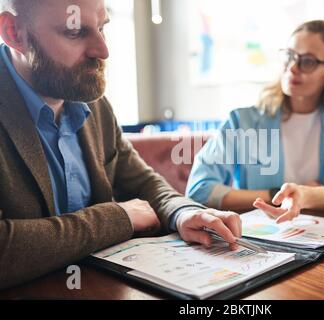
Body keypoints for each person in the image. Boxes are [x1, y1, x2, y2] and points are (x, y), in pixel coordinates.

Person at [0, 0, 241, 290]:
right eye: (74, 33)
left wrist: (183, 212)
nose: (103, 50)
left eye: (102, 28)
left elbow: (142, 182)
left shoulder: (94, 104)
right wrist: (118, 218)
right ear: (13, 32)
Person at [186, 20, 324, 223]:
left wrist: (305, 195)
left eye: (308, 61)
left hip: (322, 237)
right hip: (260, 236)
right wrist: (277, 195)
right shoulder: (242, 121)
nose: (293, 67)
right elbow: (199, 189)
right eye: (289, 56)